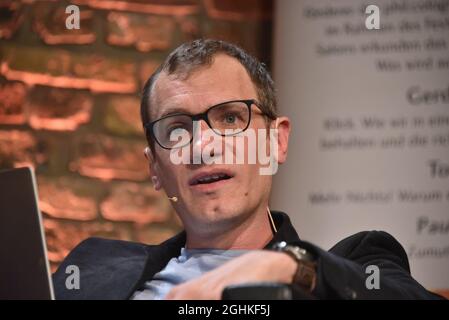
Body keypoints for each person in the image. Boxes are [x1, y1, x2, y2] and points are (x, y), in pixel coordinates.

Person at [53, 39, 442, 300]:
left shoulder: (358, 262)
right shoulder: (93, 266)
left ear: (277, 142)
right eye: (176, 128)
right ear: (154, 167)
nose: (203, 147)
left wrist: (291, 265)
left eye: (229, 118)